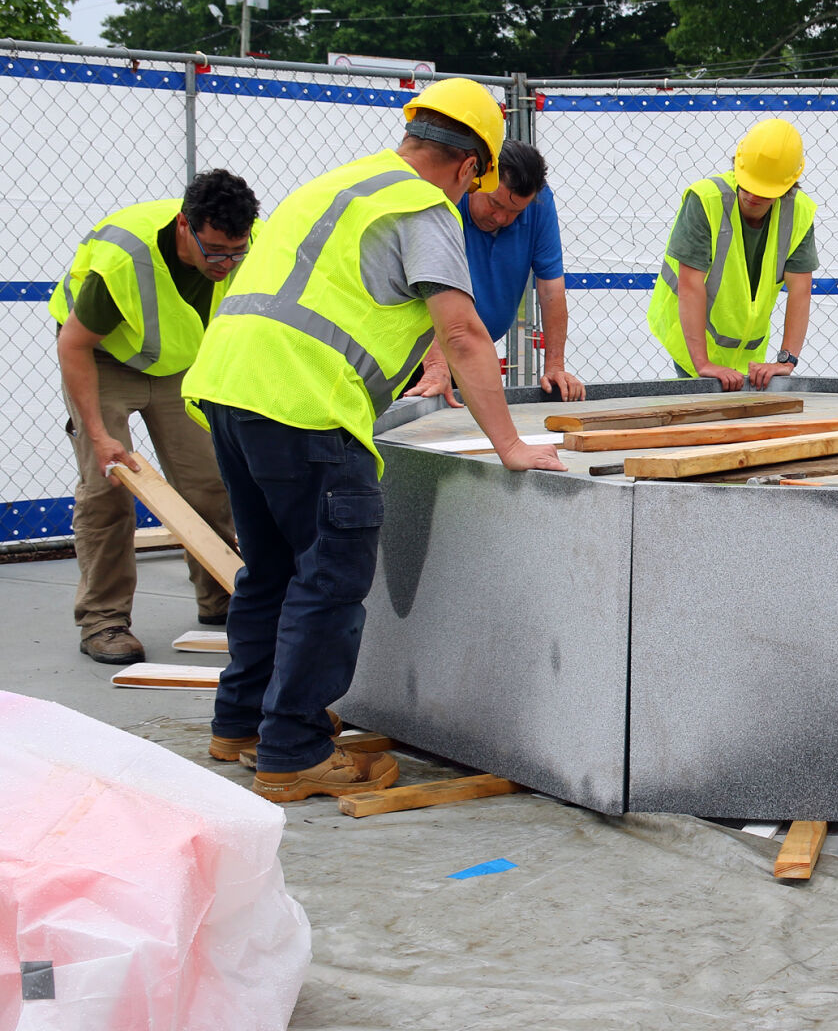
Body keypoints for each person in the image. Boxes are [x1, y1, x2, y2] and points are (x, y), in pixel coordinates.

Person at [182, 78, 566, 803]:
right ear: (467, 167)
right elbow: (462, 330)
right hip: (305, 407)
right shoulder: (422, 206)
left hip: (230, 392)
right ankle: (292, 752)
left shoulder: (339, 183)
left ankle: (240, 724)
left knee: (269, 570)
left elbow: (351, 298)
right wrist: (513, 446)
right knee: (328, 578)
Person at [49, 169, 259, 664]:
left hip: (177, 362)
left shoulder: (250, 243)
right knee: (108, 489)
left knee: (209, 481)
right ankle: (104, 621)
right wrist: (97, 435)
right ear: (186, 226)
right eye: (215, 252)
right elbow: (74, 345)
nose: (227, 264)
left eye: (237, 252)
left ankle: (221, 597)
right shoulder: (125, 260)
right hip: (103, 359)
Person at [404, 139, 585, 406]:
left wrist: (555, 365)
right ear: (477, 178)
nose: (501, 218)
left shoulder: (541, 203)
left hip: (469, 351)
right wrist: (436, 364)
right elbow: (426, 292)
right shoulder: (444, 197)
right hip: (411, 352)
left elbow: (551, 289)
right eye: (494, 204)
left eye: (515, 212)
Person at [647, 117, 819, 390]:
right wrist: (702, 363)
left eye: (764, 191)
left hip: (747, 352)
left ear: (788, 184)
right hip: (692, 343)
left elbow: (801, 289)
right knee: (703, 424)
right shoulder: (705, 200)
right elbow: (690, 284)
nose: (752, 195)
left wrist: (786, 360)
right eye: (748, 184)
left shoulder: (798, 213)